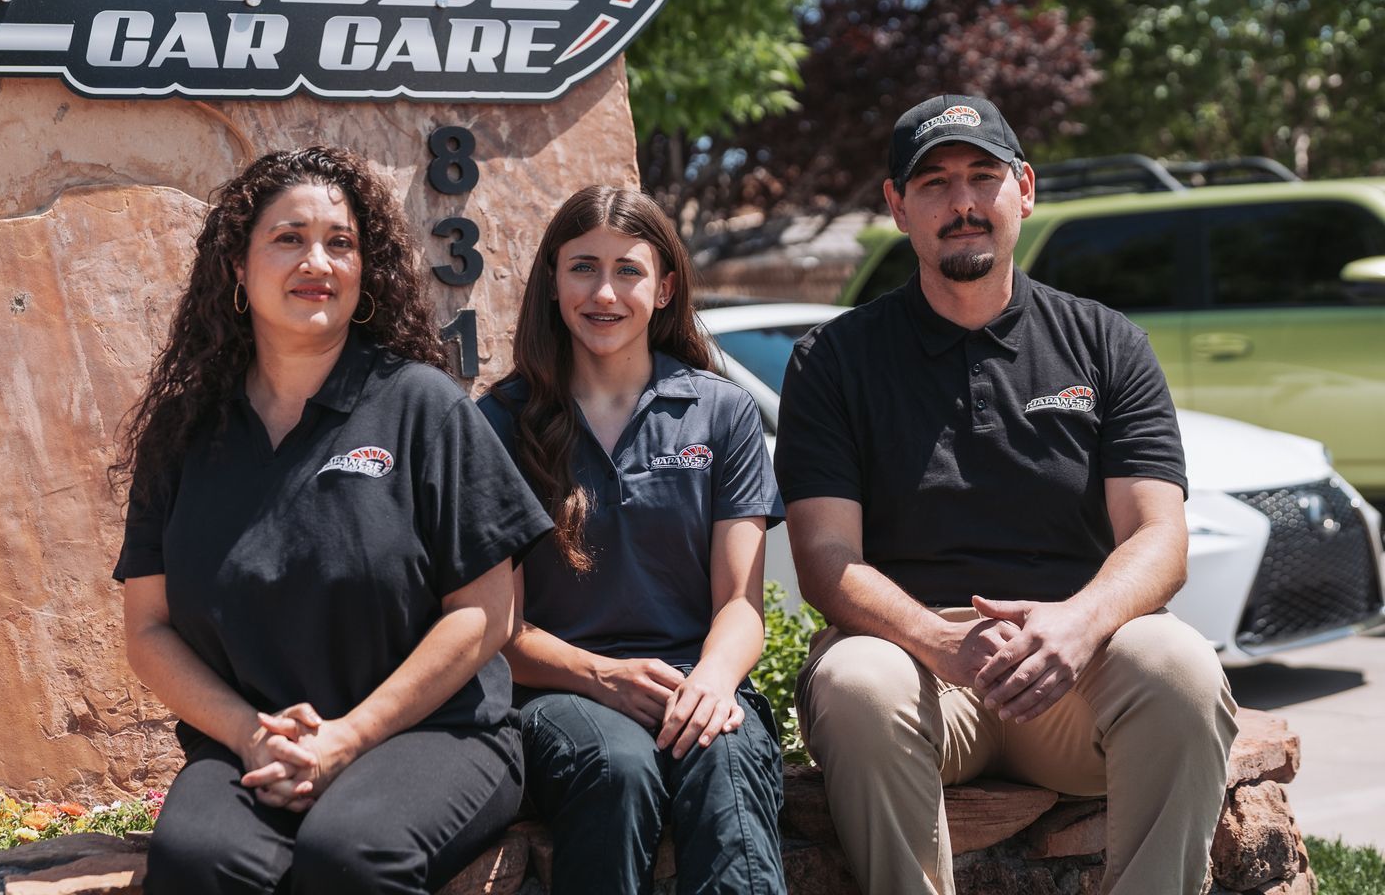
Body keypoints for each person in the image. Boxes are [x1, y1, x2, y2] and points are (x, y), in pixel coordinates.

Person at [775, 94, 1238, 895]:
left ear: (1023, 189)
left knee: (1181, 668)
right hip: (915, 667)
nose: (962, 203)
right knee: (853, 684)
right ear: (896, 206)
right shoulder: (834, 360)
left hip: (1075, 667)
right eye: (934, 183)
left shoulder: (1106, 343)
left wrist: (1078, 625)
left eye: (982, 176)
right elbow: (824, 559)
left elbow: (1159, 537)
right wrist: (942, 642)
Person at [112, 146, 553, 895]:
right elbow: (148, 629)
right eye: (288, 238)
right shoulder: (187, 432)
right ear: (238, 272)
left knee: (349, 853)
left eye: (339, 242)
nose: (316, 260)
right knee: (196, 859)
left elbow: (489, 613)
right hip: (255, 742)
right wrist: (251, 736)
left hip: (436, 735)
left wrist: (349, 738)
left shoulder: (424, 406)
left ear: (364, 273)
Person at [478, 186, 788, 895]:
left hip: (693, 682)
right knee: (616, 766)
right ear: (553, 282)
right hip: (557, 695)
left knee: (729, 763)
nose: (605, 291)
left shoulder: (722, 413)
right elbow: (502, 627)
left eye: (629, 270)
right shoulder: (500, 423)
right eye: (583, 267)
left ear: (666, 286)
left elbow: (740, 606)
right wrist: (602, 678)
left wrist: (712, 682)